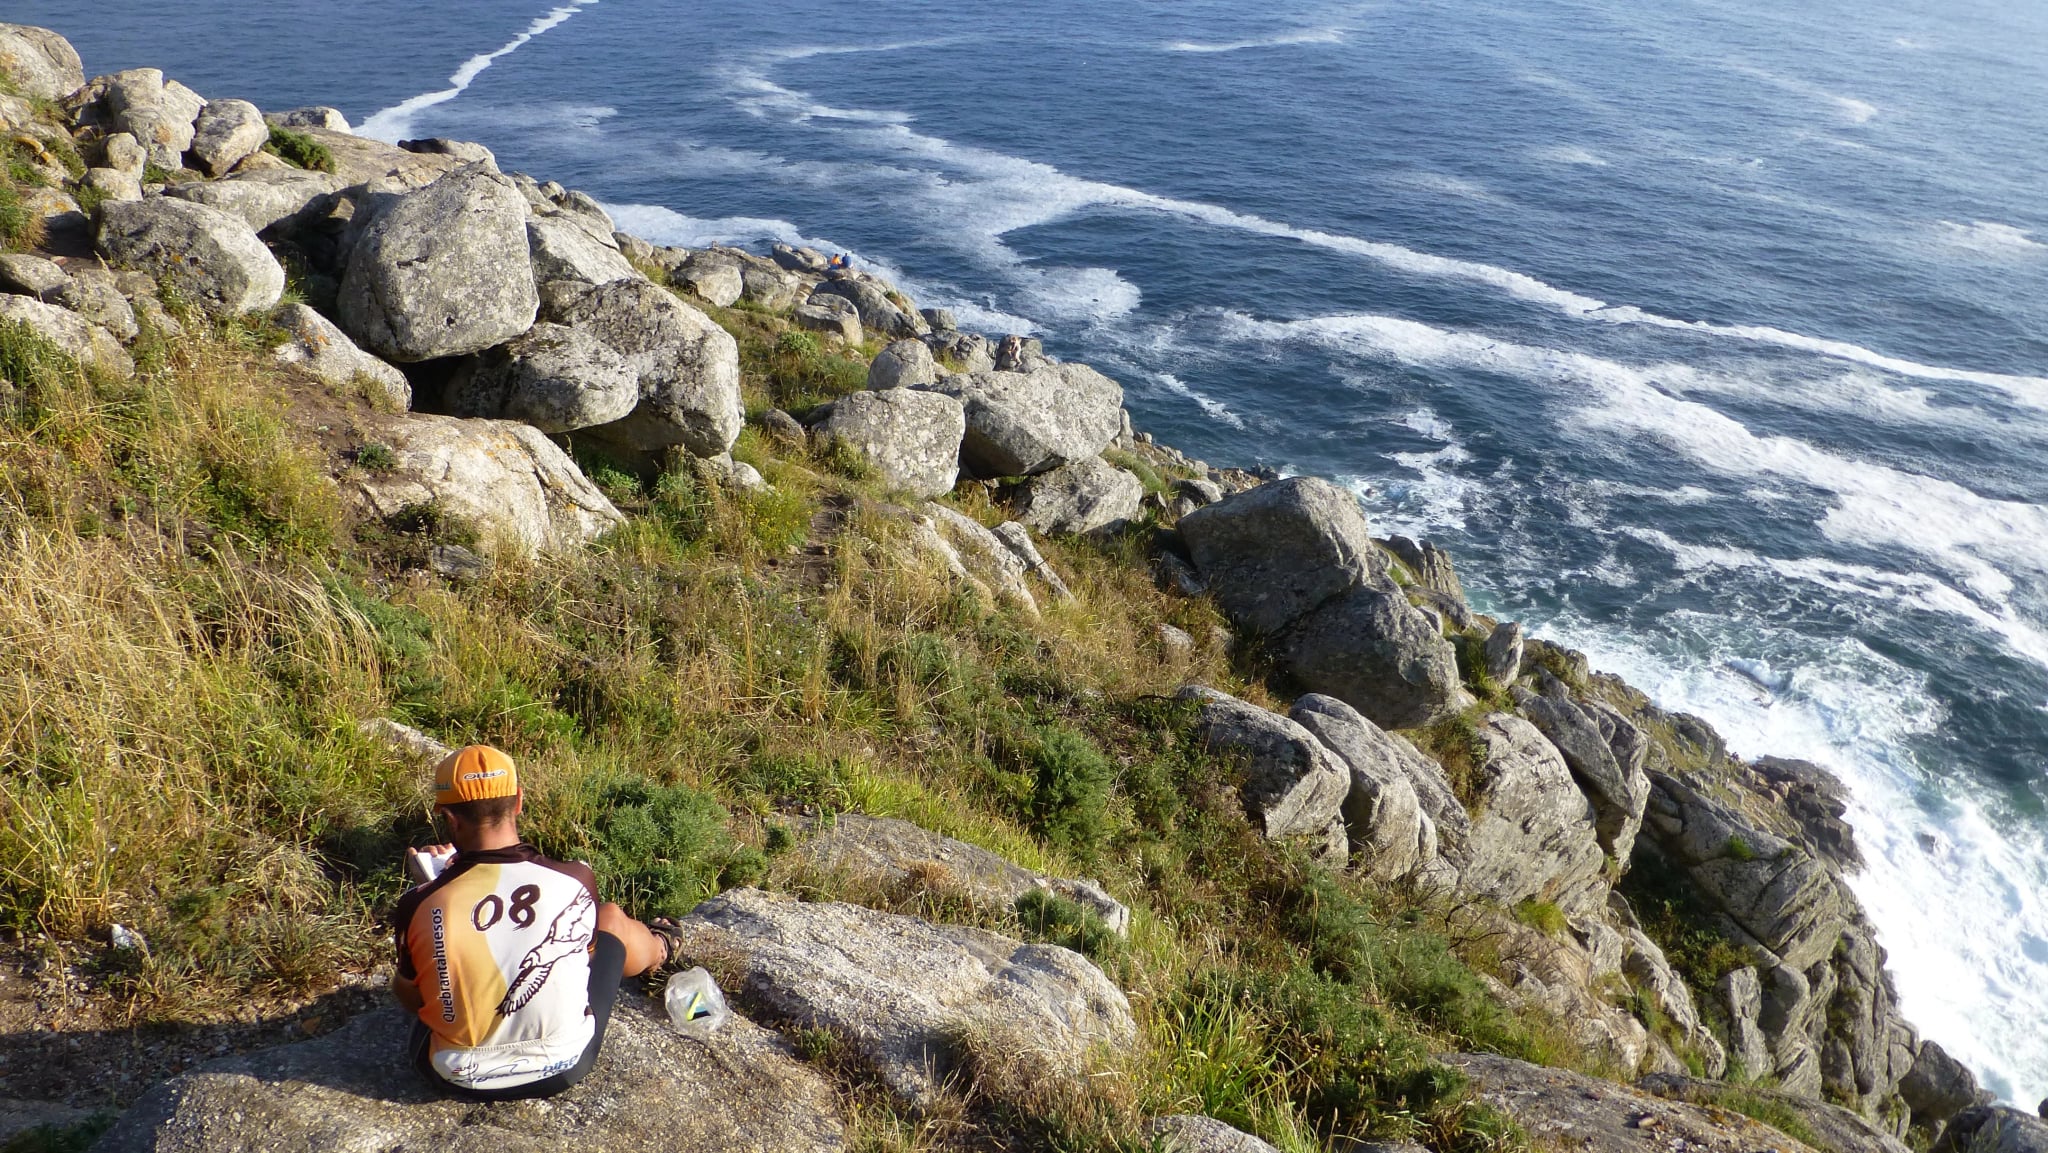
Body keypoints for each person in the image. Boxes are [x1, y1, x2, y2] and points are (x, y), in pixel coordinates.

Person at [390, 745, 681, 1100]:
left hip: (457, 1077)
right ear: (518, 801)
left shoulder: (418, 902)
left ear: (449, 818)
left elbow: (412, 998)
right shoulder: (575, 879)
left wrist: (436, 887)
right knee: (610, 918)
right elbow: (584, 959)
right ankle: (660, 948)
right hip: (563, 1066)